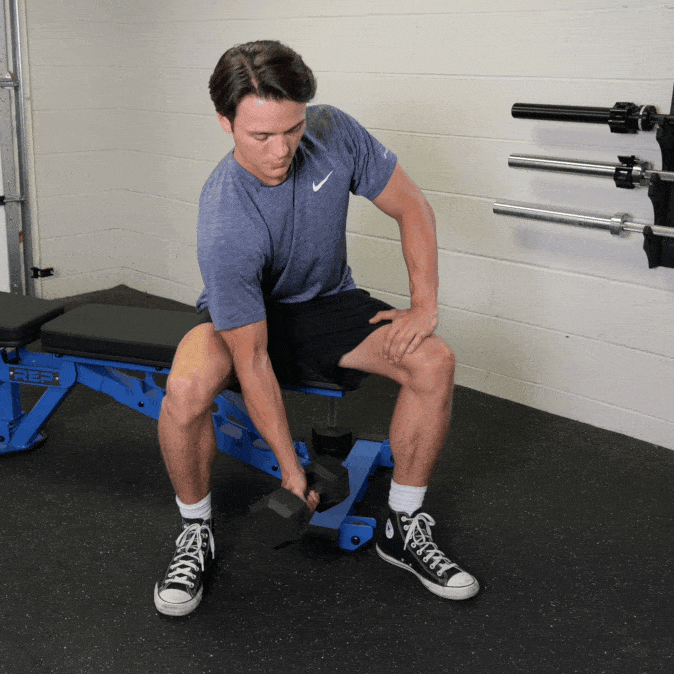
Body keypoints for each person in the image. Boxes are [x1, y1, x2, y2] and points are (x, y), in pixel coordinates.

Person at [153, 40, 478, 617]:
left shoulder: (333, 131)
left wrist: (424, 305)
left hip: (327, 302)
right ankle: (195, 528)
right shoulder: (226, 218)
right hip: (245, 318)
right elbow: (253, 358)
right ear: (226, 122)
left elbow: (412, 207)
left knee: (435, 361)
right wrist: (290, 469)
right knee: (184, 390)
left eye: (292, 129)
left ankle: (403, 525)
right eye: (261, 136)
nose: (281, 150)